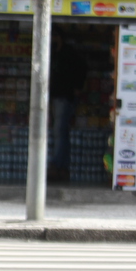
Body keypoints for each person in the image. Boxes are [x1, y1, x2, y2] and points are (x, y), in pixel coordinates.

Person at [49, 30, 87, 182]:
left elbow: (82, 68)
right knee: (60, 132)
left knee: (60, 132)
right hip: (56, 96)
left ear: (58, 37)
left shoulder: (68, 53)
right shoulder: (53, 53)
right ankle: (61, 167)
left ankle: (57, 166)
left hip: (64, 97)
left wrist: (77, 87)